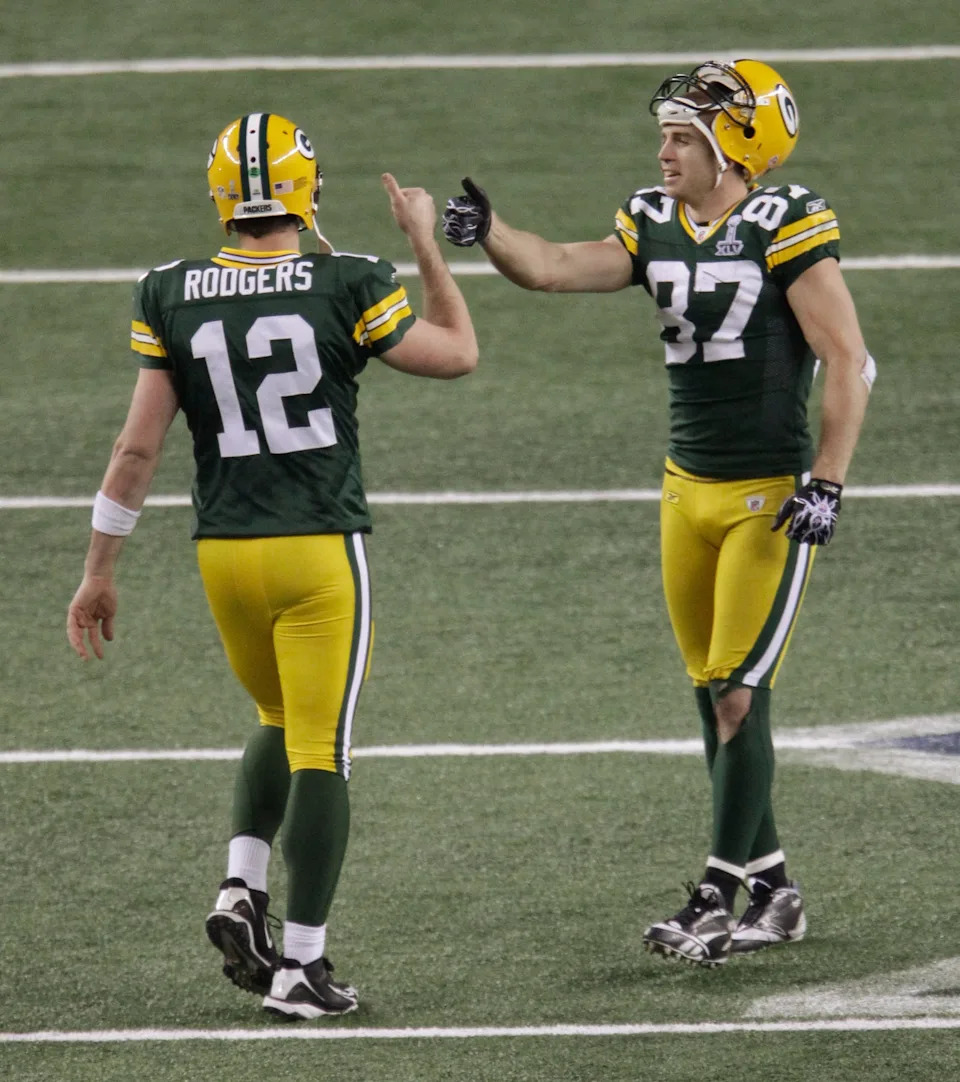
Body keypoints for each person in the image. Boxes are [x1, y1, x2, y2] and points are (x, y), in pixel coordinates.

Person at [442, 60, 875, 967]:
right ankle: (777, 890)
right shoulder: (653, 218)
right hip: (686, 490)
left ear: (736, 146)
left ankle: (715, 896)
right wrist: (492, 233)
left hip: (767, 496)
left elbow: (847, 357)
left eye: (684, 137)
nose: (665, 151)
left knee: (738, 694)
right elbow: (556, 268)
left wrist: (827, 481)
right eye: (666, 136)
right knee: (714, 697)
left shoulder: (784, 220)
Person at [67, 112, 478, 1018]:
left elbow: (135, 451)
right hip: (317, 548)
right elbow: (457, 354)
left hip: (225, 555)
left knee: (276, 716)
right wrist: (424, 243)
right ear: (307, 191)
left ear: (223, 197)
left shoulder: (169, 290)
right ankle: (301, 966)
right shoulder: (349, 279)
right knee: (321, 749)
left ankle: (241, 885)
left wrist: (99, 570)